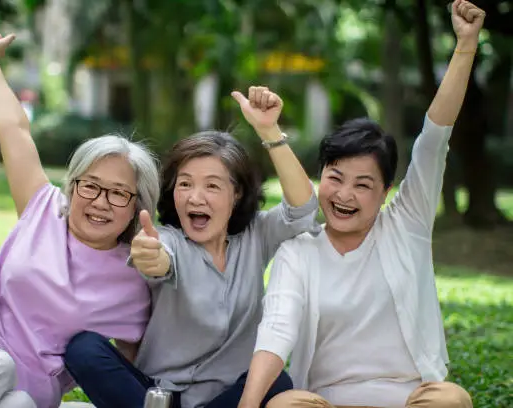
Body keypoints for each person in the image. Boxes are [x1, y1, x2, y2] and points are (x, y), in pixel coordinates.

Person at [236, 2, 484, 408]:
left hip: (411, 399)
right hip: (328, 401)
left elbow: (434, 138)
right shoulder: (297, 253)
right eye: (335, 178)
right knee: (284, 405)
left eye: (363, 184)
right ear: (321, 178)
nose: (344, 195)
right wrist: (248, 406)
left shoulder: (407, 226)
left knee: (451, 400)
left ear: (385, 191)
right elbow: (276, 332)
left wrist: (465, 48)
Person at [0, 33, 160, 408]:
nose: (100, 202)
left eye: (118, 192)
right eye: (90, 186)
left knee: (21, 402)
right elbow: (13, 129)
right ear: (72, 185)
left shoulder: (132, 282)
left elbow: (129, 375)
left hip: (19, 402)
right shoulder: (42, 210)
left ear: (138, 206)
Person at [63, 86, 322, 408]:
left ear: (237, 193)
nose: (194, 197)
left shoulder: (257, 235)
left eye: (212, 185)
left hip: (226, 399)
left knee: (277, 380)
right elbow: (159, 260)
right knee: (84, 348)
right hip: (155, 397)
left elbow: (304, 209)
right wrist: (151, 257)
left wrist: (269, 132)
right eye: (185, 184)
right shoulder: (167, 239)